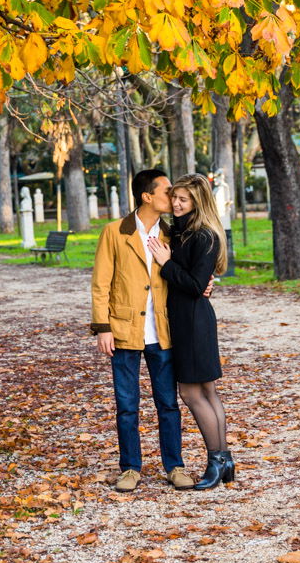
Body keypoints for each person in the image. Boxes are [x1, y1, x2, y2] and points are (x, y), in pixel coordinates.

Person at [90, 168, 195, 492]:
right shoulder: (114, 232)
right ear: (147, 196)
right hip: (124, 331)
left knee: (167, 403)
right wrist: (103, 327)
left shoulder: (172, 234)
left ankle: (174, 466)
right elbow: (100, 283)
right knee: (127, 405)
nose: (172, 197)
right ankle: (130, 468)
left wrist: (205, 286)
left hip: (162, 331)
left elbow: (187, 273)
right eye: (166, 191)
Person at [148, 173, 234, 491]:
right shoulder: (182, 232)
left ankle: (216, 460)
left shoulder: (204, 236)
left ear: (198, 202)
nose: (176, 203)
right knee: (208, 392)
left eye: (184, 199)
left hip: (193, 321)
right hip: (188, 318)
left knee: (191, 393)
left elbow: (197, 285)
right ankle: (224, 459)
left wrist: (166, 263)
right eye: (175, 198)